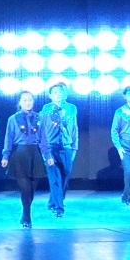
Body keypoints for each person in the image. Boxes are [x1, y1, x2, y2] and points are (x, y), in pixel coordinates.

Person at [1, 91, 44, 229]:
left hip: (35, 153)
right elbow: (8, 138)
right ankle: (27, 215)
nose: (27, 102)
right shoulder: (13, 119)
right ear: (19, 102)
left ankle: (26, 212)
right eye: (24, 100)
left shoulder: (39, 117)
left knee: (32, 187)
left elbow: (43, 138)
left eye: (30, 100)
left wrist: (48, 156)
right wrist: (5, 156)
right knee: (25, 187)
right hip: (20, 153)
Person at [39, 82, 79, 218]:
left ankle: (53, 201)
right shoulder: (46, 109)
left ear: (65, 94)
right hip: (50, 147)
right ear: (50, 95)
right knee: (54, 177)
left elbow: (74, 128)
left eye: (60, 92)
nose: (58, 94)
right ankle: (59, 207)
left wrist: (75, 147)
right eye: (55, 92)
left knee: (65, 175)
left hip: (66, 146)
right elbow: (41, 129)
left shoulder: (71, 108)